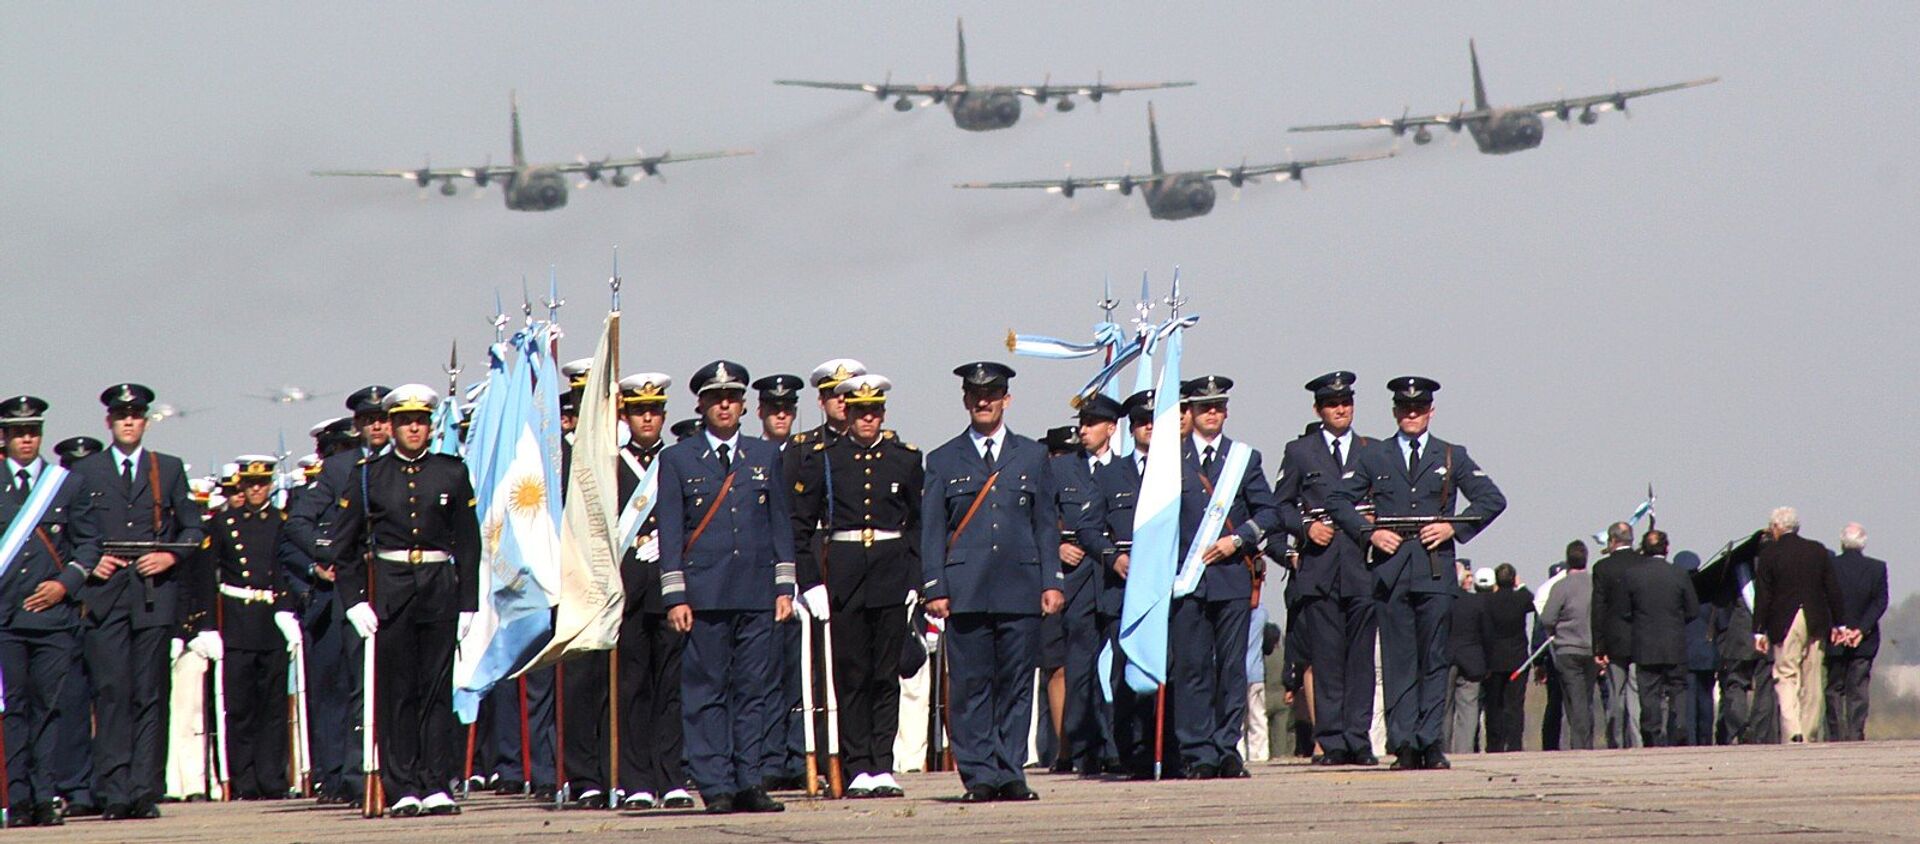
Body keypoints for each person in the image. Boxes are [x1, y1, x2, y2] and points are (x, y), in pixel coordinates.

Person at [1328, 376, 1505, 771]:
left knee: (1435, 658)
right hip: (1391, 572)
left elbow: (1493, 499)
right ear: (1394, 412)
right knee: (1398, 660)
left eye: (1419, 409)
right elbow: (1338, 500)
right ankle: (1404, 743)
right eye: (1405, 409)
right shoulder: (1375, 456)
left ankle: (1430, 742)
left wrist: (1454, 528)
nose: (1412, 415)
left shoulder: (1450, 455)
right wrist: (1370, 533)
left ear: (1430, 411)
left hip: (1434, 568)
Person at [331, 385, 480, 817]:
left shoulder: (451, 472)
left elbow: (468, 542)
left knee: (435, 689)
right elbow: (345, 546)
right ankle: (403, 786)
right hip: (390, 592)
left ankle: (436, 782)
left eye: (421, 421)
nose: (414, 428)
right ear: (392, 426)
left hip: (438, 587)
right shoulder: (368, 475)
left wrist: (468, 600)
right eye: (405, 421)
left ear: (430, 426)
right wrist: (355, 600)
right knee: (397, 691)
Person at [919, 361, 1066, 802]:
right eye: (976, 395)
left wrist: (1051, 581)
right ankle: (980, 774)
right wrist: (935, 587)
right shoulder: (943, 459)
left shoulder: (1032, 455)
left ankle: (1009, 771)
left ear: (1007, 399)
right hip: (966, 590)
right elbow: (932, 530)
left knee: (1018, 684)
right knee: (970, 686)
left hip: (1020, 587)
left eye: (993, 393)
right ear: (966, 400)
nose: (984, 401)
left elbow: (1045, 524)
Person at [656, 361, 797, 814]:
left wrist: (784, 587)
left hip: (756, 592)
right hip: (705, 594)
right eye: (716, 398)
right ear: (699, 404)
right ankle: (714, 783)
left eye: (733, 398)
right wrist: (676, 595)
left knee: (753, 691)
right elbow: (672, 533)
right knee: (706, 691)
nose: (724, 405)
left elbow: (780, 525)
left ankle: (749, 780)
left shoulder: (764, 456)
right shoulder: (678, 459)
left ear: (742, 405)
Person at [71, 383, 206, 820]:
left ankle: (144, 790)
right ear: (109, 422)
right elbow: (71, 532)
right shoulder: (85, 472)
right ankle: (113, 790)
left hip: (152, 594)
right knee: (111, 692)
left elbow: (192, 529)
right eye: (121, 415)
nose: (129, 421)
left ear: (146, 421)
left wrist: (168, 555)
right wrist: (90, 564)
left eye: (136, 414)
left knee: (150, 693)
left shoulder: (165, 469)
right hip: (106, 593)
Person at [790, 374, 923, 798]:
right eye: (860, 411)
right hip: (843, 576)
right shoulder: (824, 458)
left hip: (890, 573)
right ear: (846, 412)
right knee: (851, 675)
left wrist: (914, 577)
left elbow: (919, 523)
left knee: (885, 675)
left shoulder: (903, 458)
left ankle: (881, 763)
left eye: (875, 411)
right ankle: (855, 765)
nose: (868, 419)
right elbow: (800, 525)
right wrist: (810, 582)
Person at [283, 388, 392, 807]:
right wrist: (331, 556)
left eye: (384, 418)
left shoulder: (414, 463)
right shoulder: (342, 466)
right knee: (357, 686)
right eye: (370, 420)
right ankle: (354, 776)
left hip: (403, 582)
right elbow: (298, 523)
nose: (378, 426)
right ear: (359, 426)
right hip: (357, 586)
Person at [1170, 375, 1279, 780]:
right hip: (1187, 580)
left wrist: (1238, 540)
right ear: (1191, 413)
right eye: (1204, 407)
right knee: (1193, 667)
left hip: (1232, 577)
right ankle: (1197, 750)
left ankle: (1225, 748)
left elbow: (1269, 512)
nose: (1211, 413)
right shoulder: (1170, 458)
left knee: (1231, 667)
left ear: (1226, 411)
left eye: (1218, 407)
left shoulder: (1243, 459)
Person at [0, 396, 99, 827]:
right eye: (19, 432)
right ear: (3, 437)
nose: (27, 439)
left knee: (48, 707)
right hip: (5, 616)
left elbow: (88, 544)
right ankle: (18, 798)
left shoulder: (65, 483)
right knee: (15, 708)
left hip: (53, 619)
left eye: (33, 432)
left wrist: (65, 585)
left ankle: (45, 795)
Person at [1273, 371, 1379, 766]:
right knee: (1328, 660)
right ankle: (1332, 741)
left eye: (1347, 402)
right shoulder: (1300, 452)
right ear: (1318, 409)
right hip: (1319, 570)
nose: (1341, 409)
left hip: (1363, 568)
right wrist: (1305, 527)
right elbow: (1279, 506)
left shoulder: (1373, 451)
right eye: (1333, 404)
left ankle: (1358, 738)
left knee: (1361, 662)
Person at [776, 359, 863, 790]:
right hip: (818, 571)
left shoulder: (879, 445)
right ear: (822, 400)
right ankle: (808, 755)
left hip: (862, 575)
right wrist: (807, 582)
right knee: (813, 676)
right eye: (834, 395)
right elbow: (793, 523)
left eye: (849, 394)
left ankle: (856, 759)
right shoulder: (802, 449)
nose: (843, 402)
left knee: (858, 671)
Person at [611, 373, 694, 809]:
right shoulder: (608, 464)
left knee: (671, 686)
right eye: (639, 410)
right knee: (632, 687)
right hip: (627, 591)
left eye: (655, 410)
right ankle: (635, 779)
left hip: (670, 587)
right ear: (626, 415)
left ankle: (671, 776)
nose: (648, 417)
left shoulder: (678, 461)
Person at [202, 456, 302, 798]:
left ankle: (272, 778)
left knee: (273, 706)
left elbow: (287, 568)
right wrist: (208, 626)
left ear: (271, 486)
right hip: (237, 620)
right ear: (242, 486)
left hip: (271, 619)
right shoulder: (223, 523)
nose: (256, 489)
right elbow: (206, 577)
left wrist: (288, 610)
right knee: (241, 706)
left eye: (262, 484)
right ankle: (244, 779)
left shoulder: (282, 522)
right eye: (250, 484)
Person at [1092, 389, 1156, 778]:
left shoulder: (1176, 470)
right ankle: (1128, 753)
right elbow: (1089, 526)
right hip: (1122, 590)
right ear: (1131, 429)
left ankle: (1166, 749)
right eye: (1142, 422)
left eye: (1155, 421)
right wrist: (1112, 557)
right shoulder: (1111, 474)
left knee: (1166, 673)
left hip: (1166, 592)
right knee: (1125, 675)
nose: (1149, 427)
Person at [1752, 507, 1843, 743]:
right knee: (1813, 676)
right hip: (1816, 619)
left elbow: (1763, 595)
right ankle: (1810, 728)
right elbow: (1832, 588)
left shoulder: (1770, 555)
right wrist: (1840, 623)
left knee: (1785, 674)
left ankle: (1793, 730)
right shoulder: (1817, 550)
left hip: (1784, 620)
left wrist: (1758, 629)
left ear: (1776, 528)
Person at [1621, 531, 1698, 747]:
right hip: (1674, 641)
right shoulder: (1679, 574)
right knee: (1678, 687)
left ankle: (1651, 733)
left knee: (1649, 692)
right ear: (1667, 548)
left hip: (1645, 644)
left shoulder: (1633, 575)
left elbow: (1625, 611)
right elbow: (1692, 609)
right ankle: (1680, 725)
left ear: (1643, 549)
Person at [1824, 523, 1887, 742]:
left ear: (1842, 541)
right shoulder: (1877, 568)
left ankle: (1836, 733)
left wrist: (1836, 627)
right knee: (1858, 689)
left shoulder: (1830, 566)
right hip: (1864, 639)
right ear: (1864, 542)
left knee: (1834, 688)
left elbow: (1825, 599)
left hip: (1835, 638)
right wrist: (1861, 629)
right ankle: (1855, 732)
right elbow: (1880, 603)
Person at [1590, 521, 1649, 749]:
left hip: (1614, 639)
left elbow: (1598, 609)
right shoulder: (1643, 563)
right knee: (1635, 691)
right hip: (1640, 636)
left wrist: (1598, 646)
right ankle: (1637, 740)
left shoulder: (1602, 568)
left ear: (1612, 541)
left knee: (1616, 692)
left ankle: (1616, 739)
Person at [1539, 542, 1597, 749]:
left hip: (1566, 648)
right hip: (1591, 648)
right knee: (1586, 697)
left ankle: (1581, 743)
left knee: (1574, 699)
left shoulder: (1561, 586)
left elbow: (1546, 618)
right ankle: (1585, 740)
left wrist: (1558, 629)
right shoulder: (1595, 584)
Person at [1479, 564, 1533, 752]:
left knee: (1494, 705)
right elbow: (1531, 599)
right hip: (1518, 659)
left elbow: (1485, 629)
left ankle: (1494, 744)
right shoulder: (1521, 598)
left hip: (1494, 660)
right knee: (1515, 705)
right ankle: (1515, 743)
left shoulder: (1488, 602)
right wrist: (1521, 585)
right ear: (1514, 579)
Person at [1446, 566, 1491, 755]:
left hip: (1445, 659)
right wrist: (1487, 662)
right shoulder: (1476, 602)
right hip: (1472, 661)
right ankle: (1464, 751)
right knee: (1469, 709)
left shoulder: (1442, 603)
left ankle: (1443, 749)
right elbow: (1487, 634)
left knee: (1443, 709)